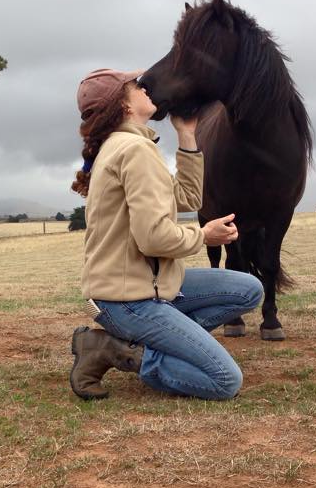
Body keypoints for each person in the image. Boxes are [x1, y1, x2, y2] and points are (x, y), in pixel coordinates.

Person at [69, 68, 264, 401]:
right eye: (136, 85)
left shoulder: (129, 146)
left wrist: (187, 135)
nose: (147, 88)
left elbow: (186, 198)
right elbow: (154, 239)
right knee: (223, 380)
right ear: (124, 105)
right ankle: (116, 350)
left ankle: (158, 343)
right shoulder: (133, 150)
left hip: (146, 284)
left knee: (249, 291)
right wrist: (204, 236)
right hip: (128, 300)